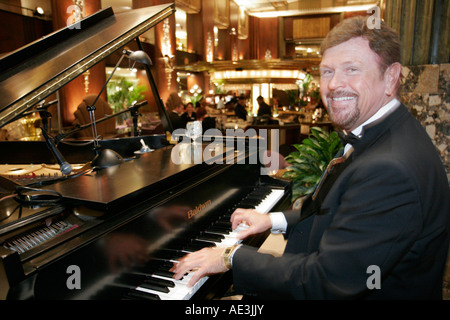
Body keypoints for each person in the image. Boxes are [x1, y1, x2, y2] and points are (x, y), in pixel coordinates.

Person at [171, 15, 450, 299]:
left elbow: (328, 280)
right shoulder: (384, 133)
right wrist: (272, 221)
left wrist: (230, 257)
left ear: (390, 78)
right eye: (327, 72)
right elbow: (331, 212)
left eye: (352, 69)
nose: (333, 84)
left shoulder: (390, 168)